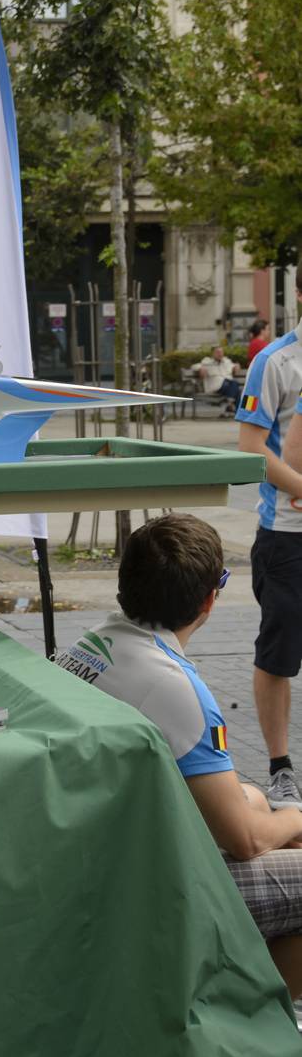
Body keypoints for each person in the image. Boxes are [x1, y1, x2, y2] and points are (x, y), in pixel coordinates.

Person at [56, 514, 302, 997]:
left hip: (95, 851)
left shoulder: (94, 644)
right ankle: (240, 1013)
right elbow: (246, 842)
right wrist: (296, 815)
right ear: (210, 599)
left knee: (251, 797)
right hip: (145, 888)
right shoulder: (177, 689)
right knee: (274, 827)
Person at [237, 270, 302, 809]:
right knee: (279, 655)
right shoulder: (275, 362)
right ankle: (281, 769)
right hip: (288, 537)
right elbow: (252, 448)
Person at [197, 345, 241, 414]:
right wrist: (200, 368)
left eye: (221, 352)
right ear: (213, 354)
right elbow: (195, 366)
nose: (220, 354)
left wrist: (236, 366)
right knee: (235, 385)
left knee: (239, 391)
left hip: (228, 386)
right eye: (217, 352)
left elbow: (234, 366)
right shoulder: (207, 362)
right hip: (216, 387)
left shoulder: (227, 361)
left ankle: (237, 409)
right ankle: (235, 408)